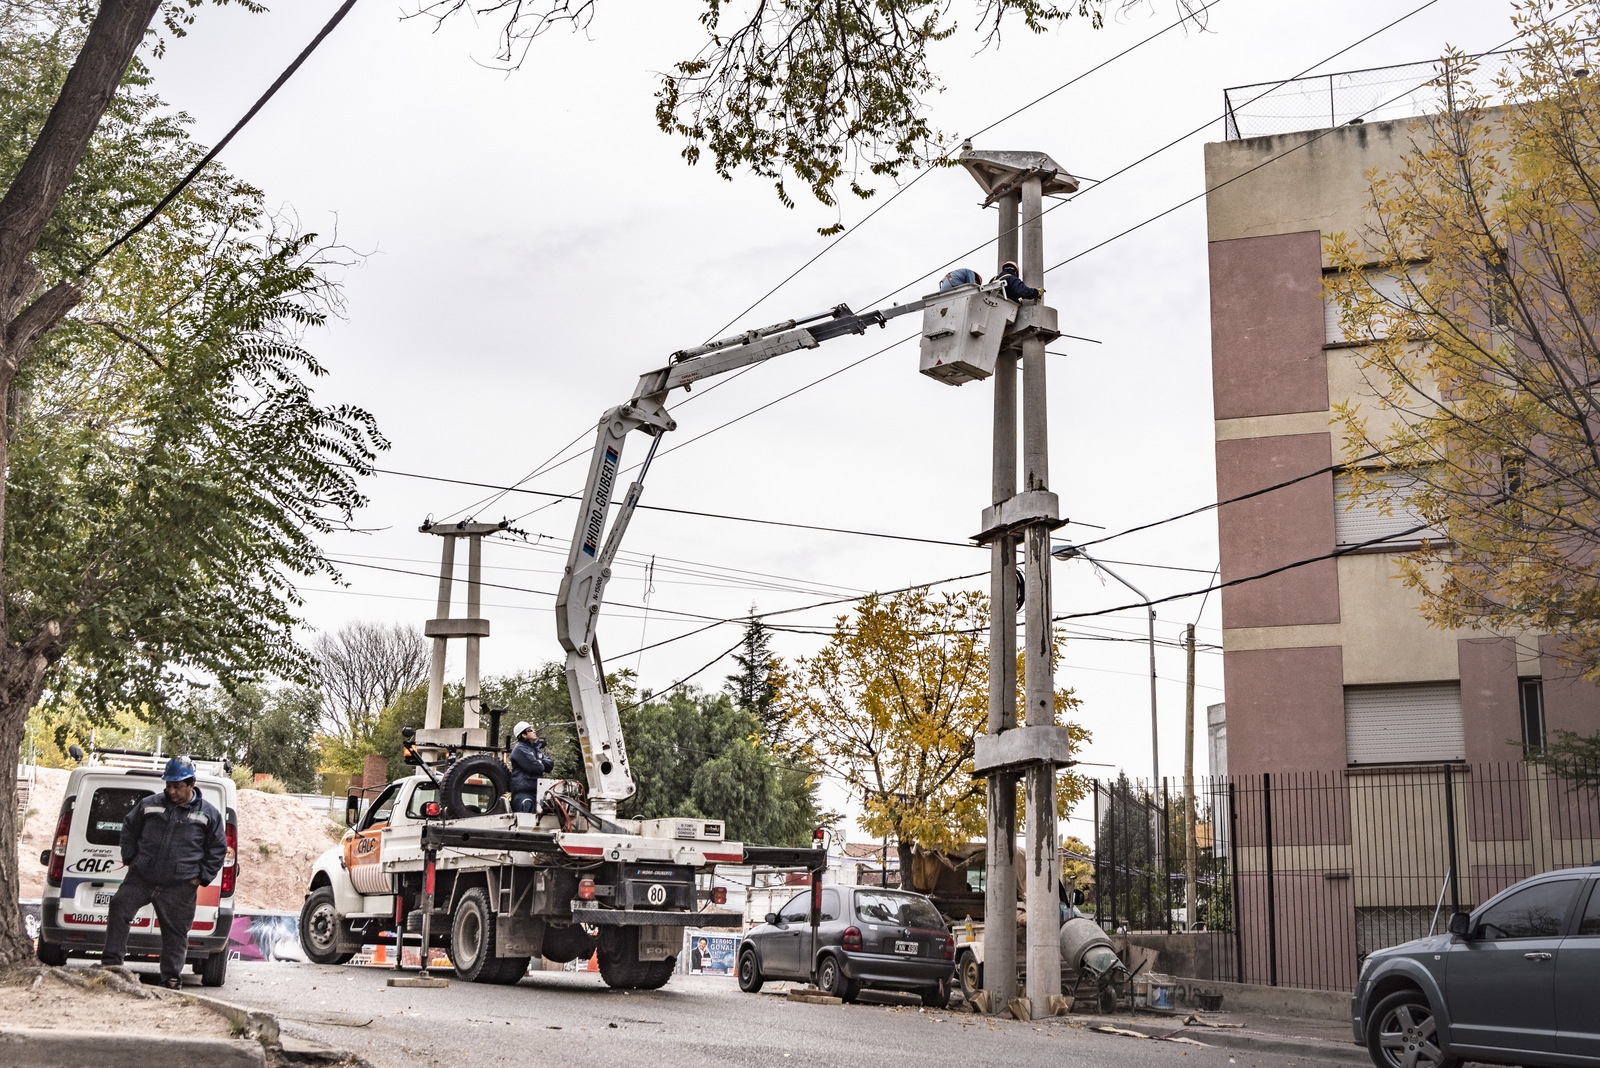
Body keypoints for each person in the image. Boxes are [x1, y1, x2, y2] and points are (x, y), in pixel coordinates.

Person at [101, 756, 227, 989]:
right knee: (119, 906)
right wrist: (131, 858)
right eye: (168, 785)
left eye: (176, 786)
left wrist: (201, 877)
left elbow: (218, 849)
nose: (171, 791)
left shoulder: (209, 814)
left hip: (180, 884)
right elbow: (129, 827)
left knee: (176, 933)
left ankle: (170, 979)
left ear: (190, 784)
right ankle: (111, 966)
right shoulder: (150, 804)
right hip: (142, 877)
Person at [509, 721, 554, 814]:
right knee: (524, 823)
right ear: (524, 735)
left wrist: (539, 762)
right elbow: (535, 767)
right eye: (530, 730)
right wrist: (540, 763)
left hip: (537, 793)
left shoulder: (535, 749)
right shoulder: (520, 749)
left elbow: (550, 764)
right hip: (524, 794)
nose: (534, 731)